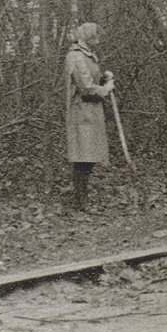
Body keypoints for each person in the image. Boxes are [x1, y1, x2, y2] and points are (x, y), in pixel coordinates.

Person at [64, 22, 114, 212]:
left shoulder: (88, 55)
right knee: (83, 158)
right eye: (95, 37)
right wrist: (106, 89)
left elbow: (91, 80)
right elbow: (86, 88)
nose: (99, 41)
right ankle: (81, 201)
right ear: (87, 37)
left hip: (91, 112)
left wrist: (103, 78)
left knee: (88, 157)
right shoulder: (76, 56)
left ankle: (81, 199)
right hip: (81, 112)